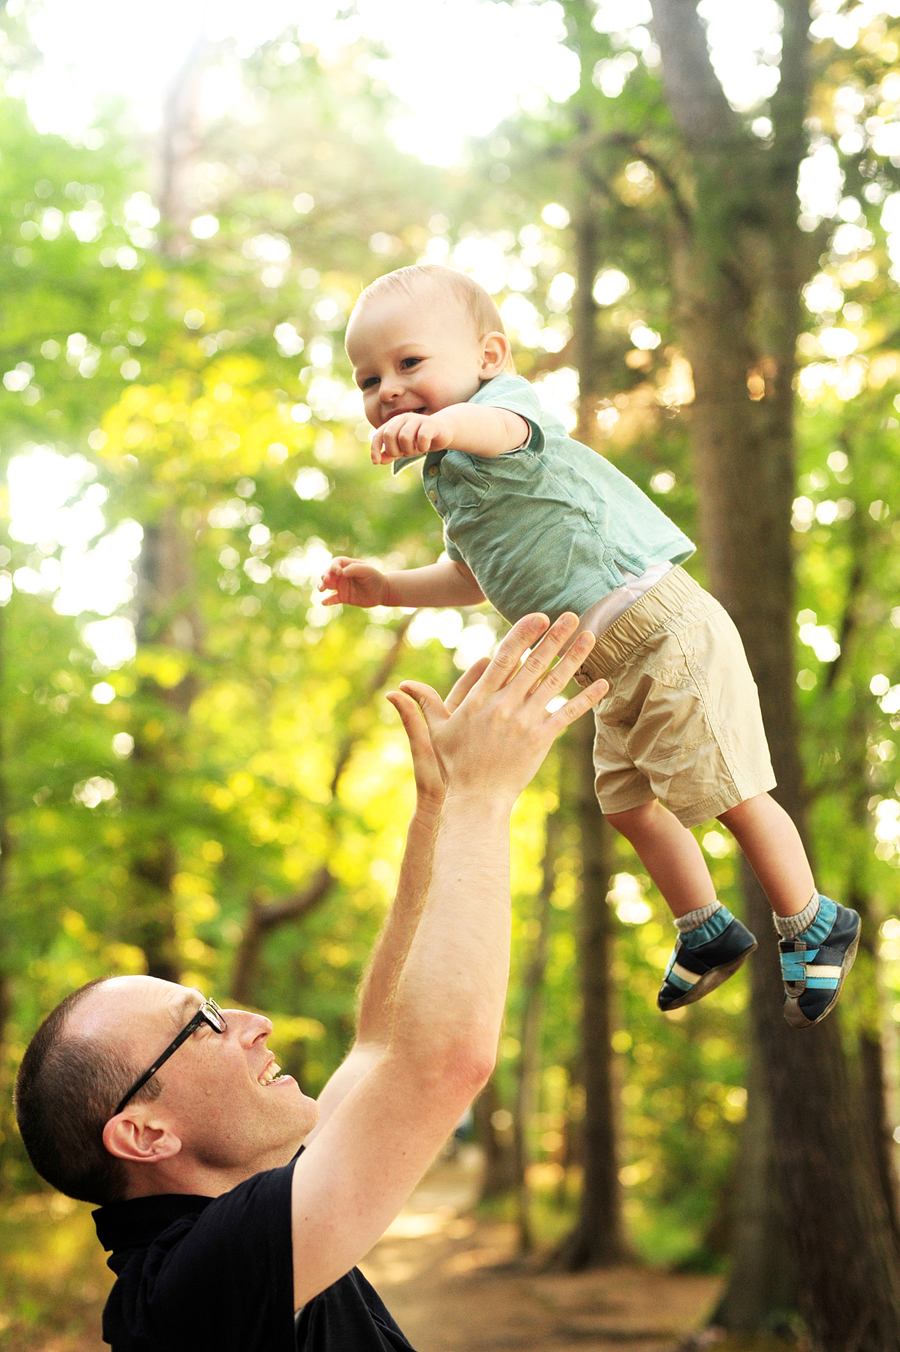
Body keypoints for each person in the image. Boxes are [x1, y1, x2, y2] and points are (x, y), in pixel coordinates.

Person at [15, 613, 607, 1352]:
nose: (252, 1021)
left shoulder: (241, 1221)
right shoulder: (190, 1291)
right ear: (144, 1133)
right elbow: (443, 1064)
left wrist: (440, 808)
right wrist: (487, 799)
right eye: (203, 1023)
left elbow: (382, 1040)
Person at [319, 262, 860, 1031]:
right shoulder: (449, 480)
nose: (389, 391)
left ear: (488, 357)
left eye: (409, 364)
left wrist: (441, 427)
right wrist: (387, 586)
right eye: (367, 380)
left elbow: (499, 432)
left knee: (728, 788)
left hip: (661, 626)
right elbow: (470, 575)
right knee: (628, 803)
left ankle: (811, 920)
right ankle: (704, 928)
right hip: (605, 662)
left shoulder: (504, 413)